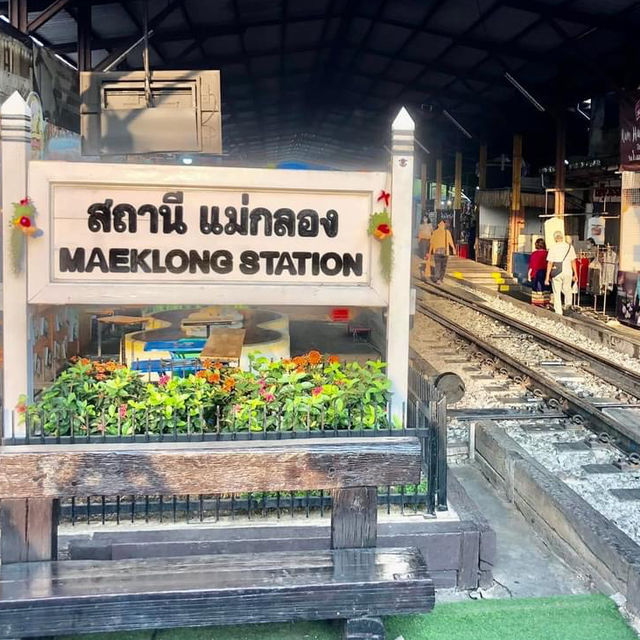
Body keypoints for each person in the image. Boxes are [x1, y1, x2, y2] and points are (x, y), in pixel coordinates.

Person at [545, 231, 578, 315]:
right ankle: (568, 306)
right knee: (567, 289)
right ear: (562, 237)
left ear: (555, 238)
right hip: (568, 271)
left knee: (557, 291)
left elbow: (550, 263)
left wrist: (547, 277)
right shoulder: (570, 247)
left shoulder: (553, 247)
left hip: (557, 272)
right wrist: (575, 274)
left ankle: (558, 311)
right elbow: (573, 261)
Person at [428, 220, 456, 284]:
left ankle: (440, 278)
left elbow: (450, 242)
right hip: (438, 252)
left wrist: (453, 248)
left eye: (443, 225)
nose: (442, 226)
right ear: (438, 225)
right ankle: (438, 278)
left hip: (445, 252)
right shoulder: (435, 233)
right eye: (441, 224)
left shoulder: (447, 232)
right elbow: (432, 243)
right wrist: (429, 252)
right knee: (438, 266)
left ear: (444, 225)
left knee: (443, 266)